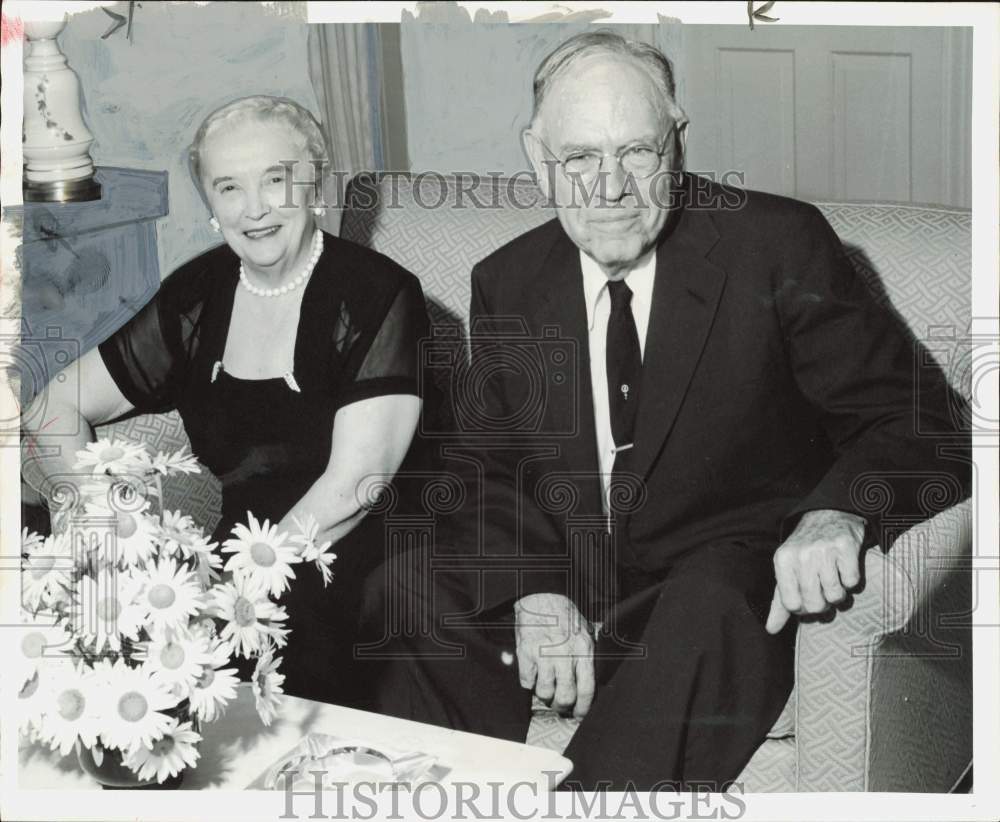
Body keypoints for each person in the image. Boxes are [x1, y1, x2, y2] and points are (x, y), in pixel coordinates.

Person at [367, 32, 971, 790]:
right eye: (580, 159)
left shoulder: (777, 245)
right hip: (580, 580)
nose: (610, 187)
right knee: (410, 583)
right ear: (537, 157)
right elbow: (484, 465)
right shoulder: (509, 280)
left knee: (709, 602)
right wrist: (533, 586)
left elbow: (923, 422)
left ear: (677, 143)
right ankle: (449, 795)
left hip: (718, 586)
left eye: (637, 153)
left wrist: (839, 514)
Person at [20, 95, 433, 707]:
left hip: (364, 558)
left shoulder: (380, 292)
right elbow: (54, 406)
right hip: (235, 555)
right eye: (229, 187)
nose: (255, 208)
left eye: (276, 179)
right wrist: (100, 524)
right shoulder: (200, 292)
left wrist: (226, 596)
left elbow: (356, 486)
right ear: (211, 203)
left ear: (314, 180)